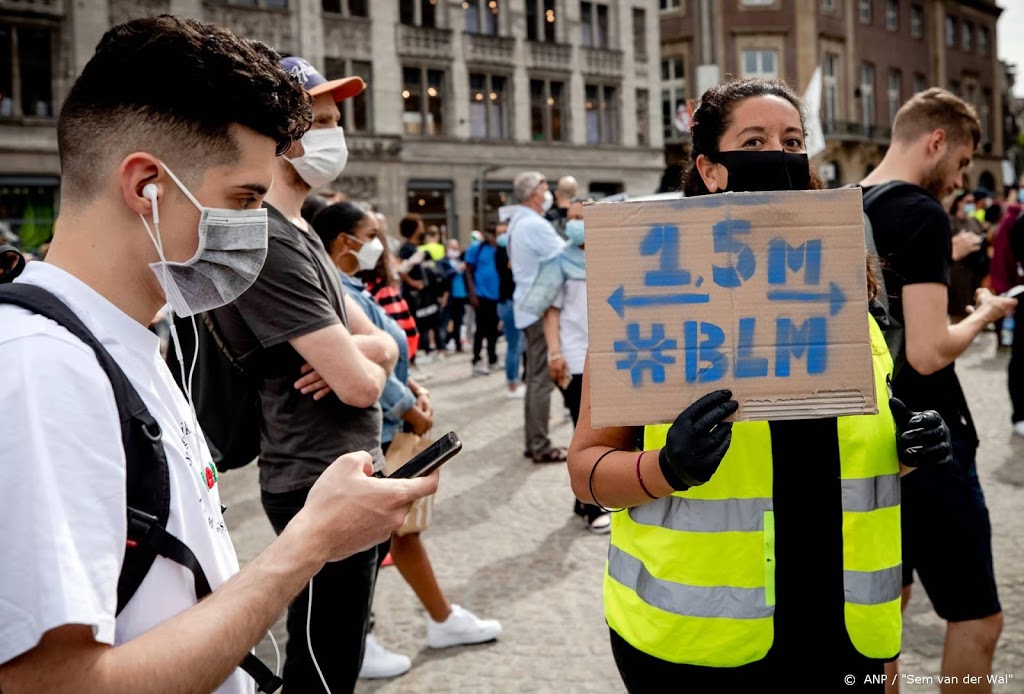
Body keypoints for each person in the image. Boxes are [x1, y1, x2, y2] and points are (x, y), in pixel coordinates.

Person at [0, 16, 436, 694]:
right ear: (146, 185)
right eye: (244, 199)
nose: (253, 228)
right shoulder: (41, 370)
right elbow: (53, 683)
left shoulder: (126, 338)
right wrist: (310, 542)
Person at [567, 77, 954, 691]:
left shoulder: (846, 286)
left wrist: (904, 448)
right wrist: (665, 467)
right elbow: (586, 467)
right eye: (755, 139)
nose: (780, 153)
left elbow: (853, 454)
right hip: (699, 646)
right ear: (711, 168)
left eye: (793, 139)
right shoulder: (648, 294)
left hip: (845, 631)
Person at [210, 55, 406, 693]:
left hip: (339, 466)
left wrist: (365, 353)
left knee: (336, 651)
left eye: (334, 119)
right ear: (281, 134)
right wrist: (361, 360)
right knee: (321, 666)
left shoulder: (299, 228)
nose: (333, 133)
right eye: (318, 119)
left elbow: (385, 342)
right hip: (313, 476)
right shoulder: (266, 236)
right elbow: (359, 383)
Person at [861, 87, 1017, 694]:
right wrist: (985, 314)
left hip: (867, 441)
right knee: (979, 618)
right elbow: (928, 351)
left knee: (880, 620)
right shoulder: (921, 212)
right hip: (930, 440)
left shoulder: (847, 203)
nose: (957, 181)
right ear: (936, 141)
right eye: (959, 165)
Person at [311, 202, 502, 677]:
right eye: (371, 233)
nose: (381, 243)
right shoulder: (336, 290)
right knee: (374, 541)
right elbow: (369, 365)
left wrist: (415, 388)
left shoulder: (354, 287)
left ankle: (435, 618)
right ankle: (369, 633)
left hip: (389, 422)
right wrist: (410, 406)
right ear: (343, 241)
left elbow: (390, 354)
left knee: (399, 534)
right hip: (376, 428)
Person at [523, 199, 610, 533]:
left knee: (605, 431)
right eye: (571, 218)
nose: (574, 224)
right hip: (575, 359)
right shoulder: (557, 262)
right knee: (584, 431)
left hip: (608, 357)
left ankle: (582, 500)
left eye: (581, 217)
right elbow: (551, 312)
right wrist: (555, 355)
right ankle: (591, 506)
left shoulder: (608, 257)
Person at [509, 171, 568, 463]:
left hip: (528, 306)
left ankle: (534, 441)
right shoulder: (533, 224)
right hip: (540, 309)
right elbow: (567, 256)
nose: (549, 193)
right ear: (535, 192)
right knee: (541, 380)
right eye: (546, 188)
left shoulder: (519, 222)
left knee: (535, 379)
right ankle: (540, 444)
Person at [465, 223, 502, 375]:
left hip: (497, 296)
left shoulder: (500, 249)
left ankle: (492, 359)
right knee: (480, 329)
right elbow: (468, 271)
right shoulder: (477, 249)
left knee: (493, 330)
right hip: (481, 296)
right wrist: (472, 294)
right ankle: (476, 359)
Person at [947, 190, 988, 322]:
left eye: (972, 202)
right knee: (958, 310)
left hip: (973, 271)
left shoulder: (974, 220)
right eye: (967, 202)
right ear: (958, 203)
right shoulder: (949, 221)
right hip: (957, 272)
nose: (971, 205)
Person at [496, 221, 524, 398]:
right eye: (499, 232)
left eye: (505, 231)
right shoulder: (502, 253)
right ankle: (512, 383)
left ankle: (514, 380)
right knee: (514, 346)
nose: (502, 235)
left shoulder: (509, 251)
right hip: (509, 303)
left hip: (508, 303)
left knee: (516, 345)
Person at [441, 238, 468, 353]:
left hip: (461, 295)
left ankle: (458, 344)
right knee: (446, 321)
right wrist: (456, 270)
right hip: (449, 296)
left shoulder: (461, 261)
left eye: (456, 248)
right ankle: (443, 343)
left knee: (459, 321)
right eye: (452, 248)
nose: (455, 250)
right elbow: (444, 276)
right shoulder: (443, 262)